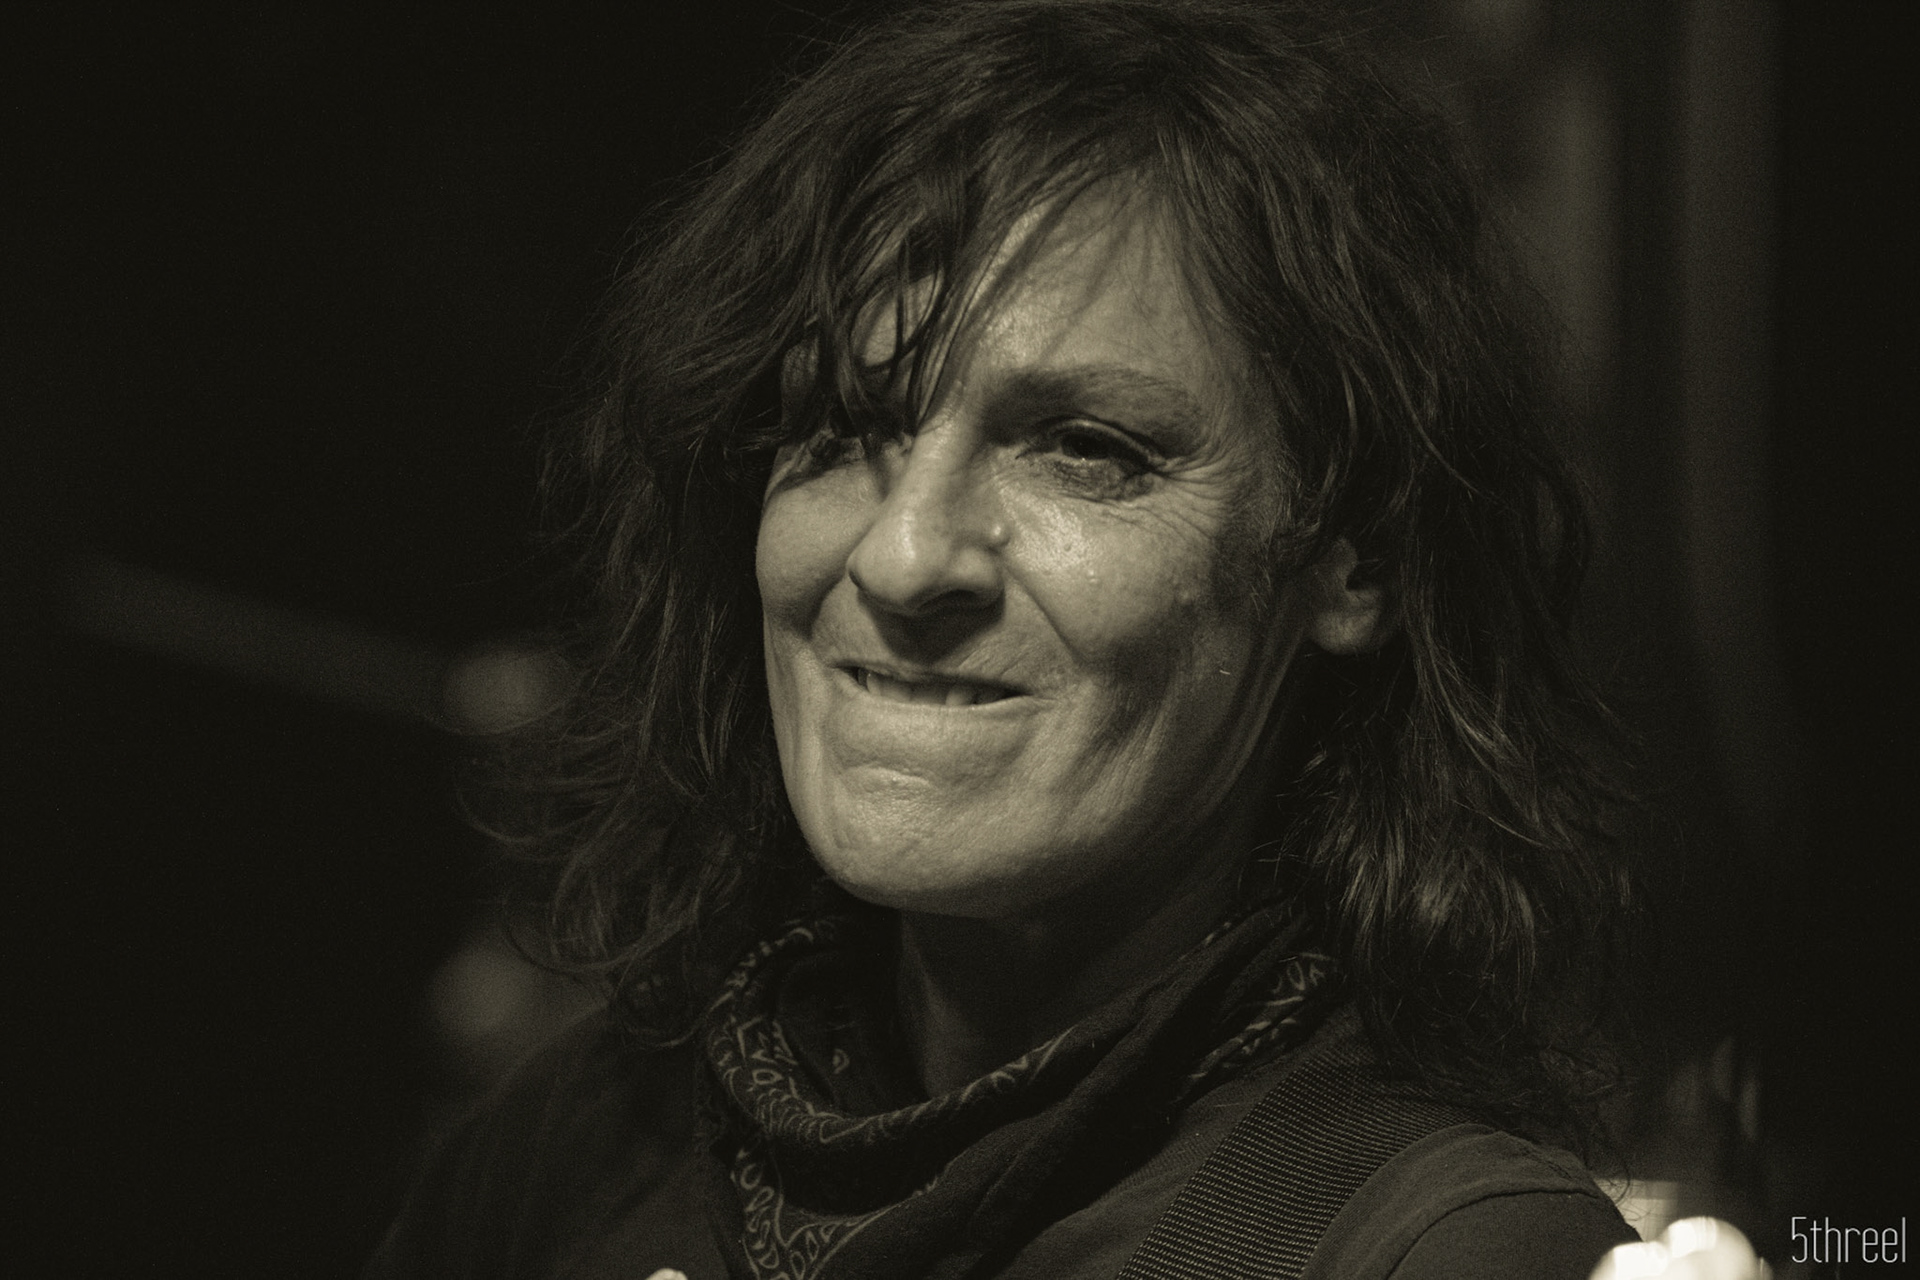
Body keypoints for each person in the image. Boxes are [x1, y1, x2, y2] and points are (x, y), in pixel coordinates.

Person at [369, 2, 1647, 1276]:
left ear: (1354, 556)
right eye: (840, 424)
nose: (903, 555)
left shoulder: (1444, 1247)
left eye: (1085, 449)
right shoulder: (570, 1155)